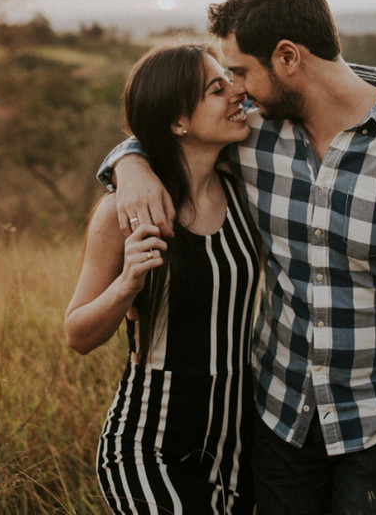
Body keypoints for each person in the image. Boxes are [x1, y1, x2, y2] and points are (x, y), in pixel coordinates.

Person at [99, 0, 376, 514]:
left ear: (288, 58)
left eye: (241, 71)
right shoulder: (252, 135)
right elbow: (167, 127)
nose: (236, 89)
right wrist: (129, 165)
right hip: (278, 422)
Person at [66, 43, 262, 515]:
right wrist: (127, 284)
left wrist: (125, 158)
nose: (236, 93)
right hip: (148, 443)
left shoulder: (248, 193)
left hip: (236, 453)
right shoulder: (122, 212)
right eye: (217, 89)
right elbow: (77, 335)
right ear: (178, 122)